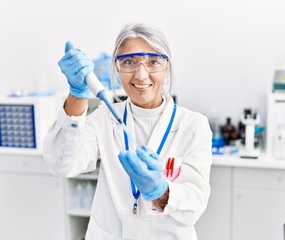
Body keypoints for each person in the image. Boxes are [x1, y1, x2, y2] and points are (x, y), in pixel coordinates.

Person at [43, 23, 212, 240]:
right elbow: (63, 163)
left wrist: (161, 192)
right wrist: (77, 93)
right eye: (129, 62)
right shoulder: (105, 117)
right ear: (117, 67)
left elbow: (195, 205)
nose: (141, 75)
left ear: (167, 68)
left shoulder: (193, 126)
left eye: (153, 62)